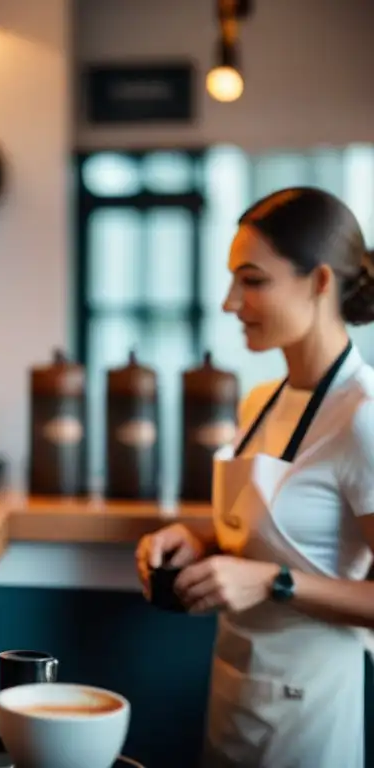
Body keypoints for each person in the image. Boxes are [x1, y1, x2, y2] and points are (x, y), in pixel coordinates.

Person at [135, 186, 374, 768]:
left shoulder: (362, 418)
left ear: (320, 282)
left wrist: (273, 583)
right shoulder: (261, 400)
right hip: (235, 683)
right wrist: (202, 540)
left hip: (311, 706)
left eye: (253, 280)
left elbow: (283, 569)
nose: (229, 302)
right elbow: (279, 528)